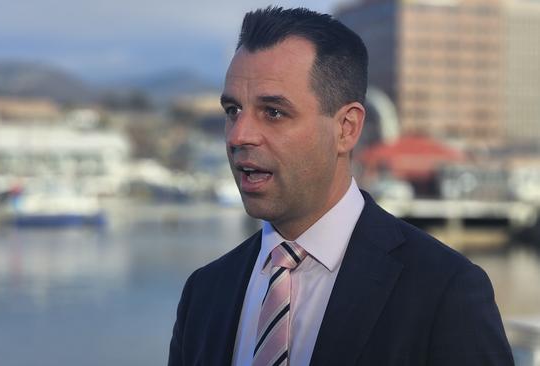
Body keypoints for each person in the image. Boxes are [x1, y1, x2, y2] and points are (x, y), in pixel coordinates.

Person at [168, 7, 513, 366]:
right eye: (232, 111)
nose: (239, 135)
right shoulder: (204, 293)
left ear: (346, 128)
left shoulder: (445, 291)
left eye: (273, 112)